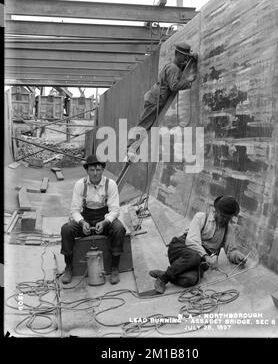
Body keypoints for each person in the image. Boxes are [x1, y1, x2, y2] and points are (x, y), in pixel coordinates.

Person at [149, 196, 246, 294]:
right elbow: (192, 241)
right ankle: (163, 279)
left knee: (191, 280)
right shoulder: (201, 217)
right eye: (223, 216)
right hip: (181, 248)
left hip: (198, 260)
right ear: (215, 211)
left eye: (228, 218)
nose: (225, 220)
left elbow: (231, 251)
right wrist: (207, 257)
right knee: (194, 256)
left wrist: (237, 256)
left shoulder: (229, 229)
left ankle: (167, 273)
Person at [60, 154, 126, 285]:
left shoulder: (110, 184)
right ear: (87, 170)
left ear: (102, 170)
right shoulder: (80, 184)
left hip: (104, 219)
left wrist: (106, 222)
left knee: (119, 229)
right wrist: (81, 222)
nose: (95, 173)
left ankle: (114, 268)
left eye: (98, 170)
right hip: (86, 218)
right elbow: (74, 210)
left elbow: (114, 210)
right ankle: (69, 267)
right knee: (66, 229)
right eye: (92, 170)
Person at [126, 42, 198, 161]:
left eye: (187, 56)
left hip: (156, 98)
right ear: (177, 54)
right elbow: (174, 86)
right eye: (184, 55)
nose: (186, 58)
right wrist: (189, 83)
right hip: (156, 100)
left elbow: (183, 66)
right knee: (144, 125)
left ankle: (132, 148)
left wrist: (192, 58)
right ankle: (130, 149)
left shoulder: (173, 65)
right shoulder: (173, 68)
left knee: (146, 125)